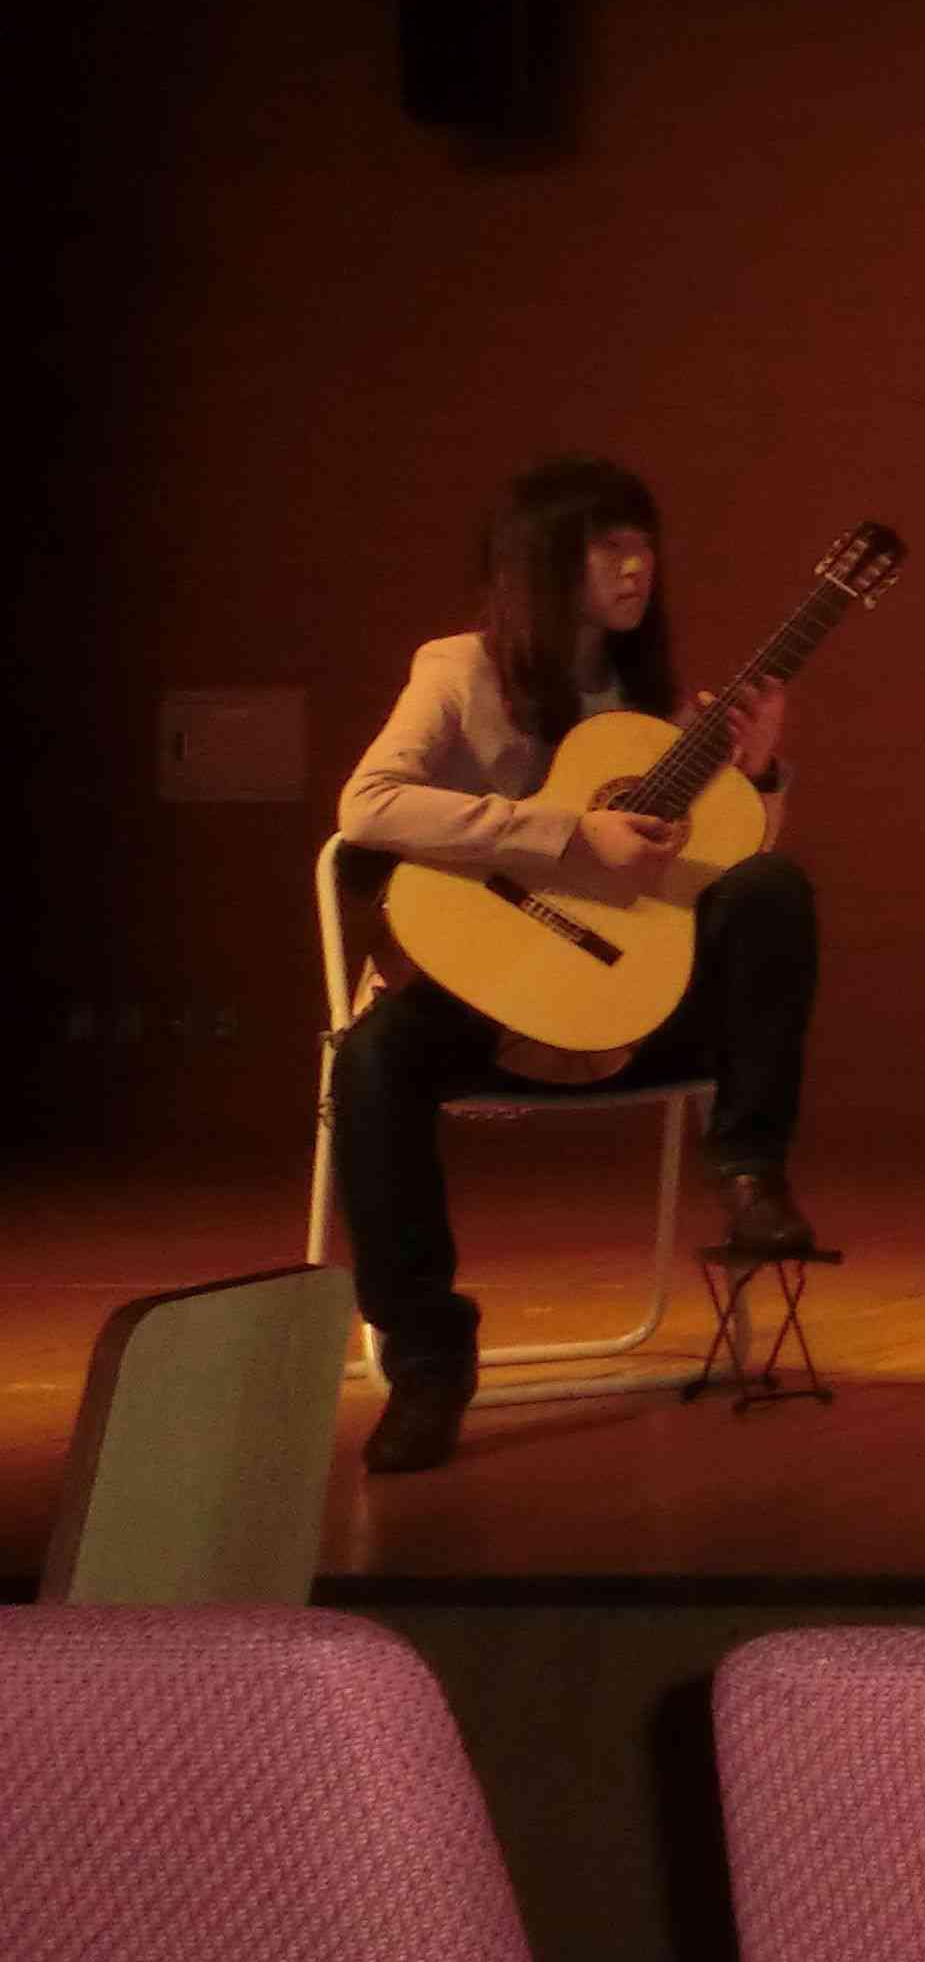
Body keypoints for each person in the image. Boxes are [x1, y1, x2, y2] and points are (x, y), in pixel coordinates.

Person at [329, 455, 820, 1474]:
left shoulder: (657, 710)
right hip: (487, 994)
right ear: (545, 560)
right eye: (610, 547)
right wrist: (565, 835)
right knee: (370, 1060)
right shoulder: (457, 671)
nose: (638, 567)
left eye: (645, 545)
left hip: (625, 1008)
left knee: (773, 890)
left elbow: (727, 867)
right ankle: (428, 1365)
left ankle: (749, 1173)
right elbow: (367, 805)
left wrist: (761, 770)